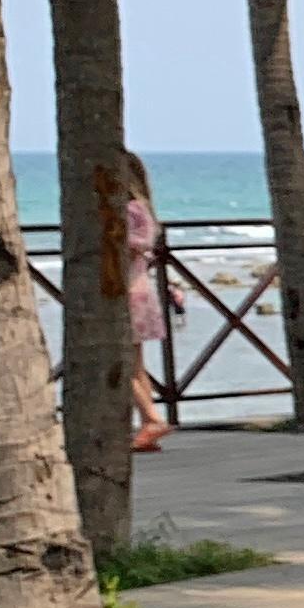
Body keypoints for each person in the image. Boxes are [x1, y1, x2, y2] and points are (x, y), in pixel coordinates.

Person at [122, 152, 173, 451]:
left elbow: (132, 245)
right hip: (140, 289)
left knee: (122, 360)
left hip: (128, 291)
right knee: (136, 362)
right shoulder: (144, 209)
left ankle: (151, 418)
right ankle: (148, 421)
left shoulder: (129, 210)